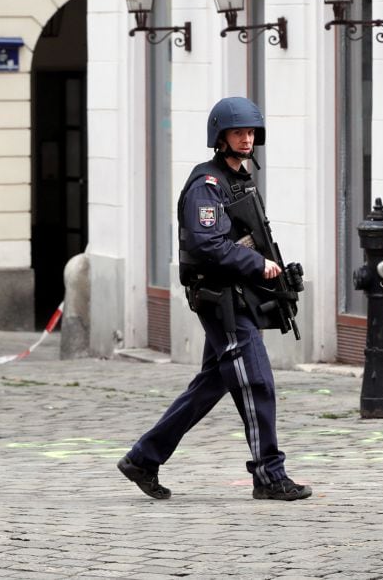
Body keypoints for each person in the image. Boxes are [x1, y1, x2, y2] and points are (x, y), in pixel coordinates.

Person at [117, 96, 312, 502]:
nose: (246, 139)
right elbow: (209, 244)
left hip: (237, 296)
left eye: (251, 132)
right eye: (238, 132)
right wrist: (258, 265)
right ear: (219, 137)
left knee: (211, 384)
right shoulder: (206, 186)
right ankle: (269, 476)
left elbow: (249, 235)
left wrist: (274, 270)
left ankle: (143, 458)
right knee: (256, 382)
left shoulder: (240, 180)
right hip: (221, 300)